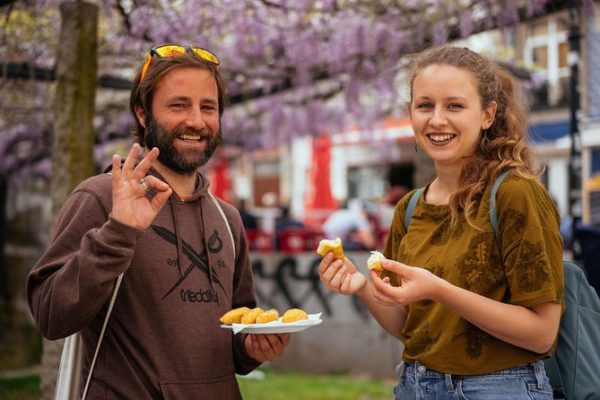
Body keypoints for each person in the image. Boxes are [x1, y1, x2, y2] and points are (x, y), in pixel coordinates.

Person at [26, 44, 290, 399]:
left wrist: (252, 347)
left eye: (207, 107)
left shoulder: (227, 220)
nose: (196, 121)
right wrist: (117, 233)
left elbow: (232, 334)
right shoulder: (101, 197)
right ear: (142, 114)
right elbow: (50, 316)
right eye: (179, 105)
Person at [318, 45, 563, 399]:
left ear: (487, 115)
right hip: (416, 385)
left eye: (455, 105)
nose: (436, 120)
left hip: (499, 388)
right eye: (425, 105)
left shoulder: (515, 194)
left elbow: (542, 332)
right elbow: (410, 328)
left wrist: (439, 289)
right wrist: (362, 287)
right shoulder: (410, 207)